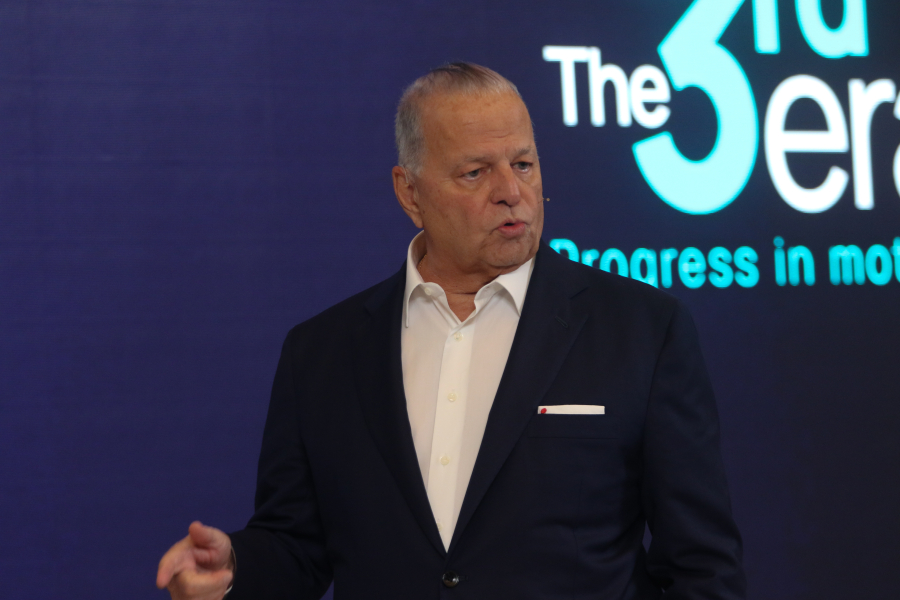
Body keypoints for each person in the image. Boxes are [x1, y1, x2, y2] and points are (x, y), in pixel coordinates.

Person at [157, 62, 746, 599]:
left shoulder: (642, 330)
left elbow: (702, 565)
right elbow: (297, 547)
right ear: (409, 192)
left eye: (523, 164)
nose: (511, 192)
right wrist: (234, 570)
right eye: (475, 172)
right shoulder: (322, 352)